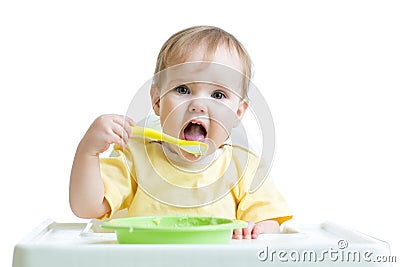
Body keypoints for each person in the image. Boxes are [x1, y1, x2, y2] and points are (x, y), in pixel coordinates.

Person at [69, 26, 292, 239]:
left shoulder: (244, 168)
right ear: (157, 101)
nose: (198, 105)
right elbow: (86, 206)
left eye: (218, 95)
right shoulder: (135, 158)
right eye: (183, 90)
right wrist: (88, 151)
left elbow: (270, 225)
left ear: (238, 113)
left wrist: (254, 230)